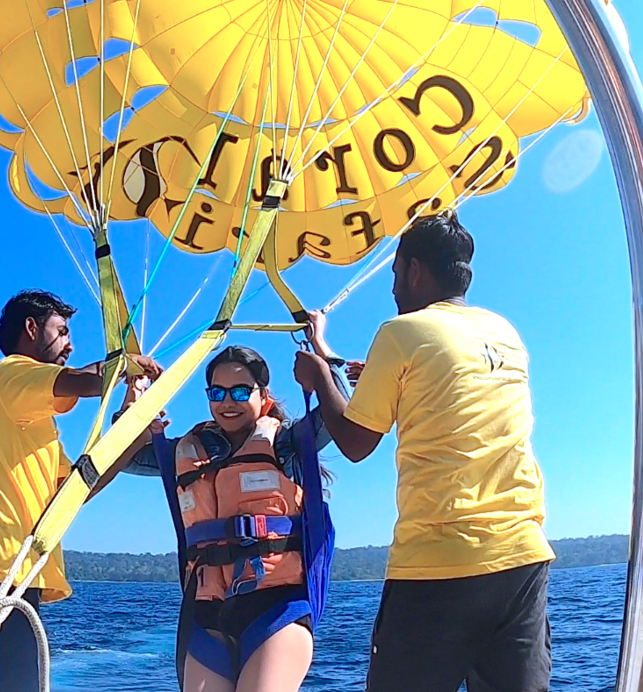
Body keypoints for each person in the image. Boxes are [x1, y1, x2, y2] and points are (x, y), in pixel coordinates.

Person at [293, 211, 555, 692]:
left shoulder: (400, 332)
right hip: (521, 562)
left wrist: (317, 377)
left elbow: (354, 442)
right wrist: (329, 352)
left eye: (394, 274)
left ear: (415, 270)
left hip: (439, 565)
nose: (392, 289)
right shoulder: (505, 333)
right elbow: (445, 383)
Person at [0, 289, 162, 692]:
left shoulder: (35, 423)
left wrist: (131, 432)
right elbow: (82, 381)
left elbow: (79, 486)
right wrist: (127, 365)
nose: (71, 344)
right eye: (62, 331)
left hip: (10, 574)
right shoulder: (7, 375)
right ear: (31, 329)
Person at [119, 336, 349, 692]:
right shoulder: (186, 450)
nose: (228, 402)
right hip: (208, 611)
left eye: (241, 392)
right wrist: (133, 397)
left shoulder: (287, 443)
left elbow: (339, 413)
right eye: (218, 392)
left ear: (263, 395)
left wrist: (322, 352)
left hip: (276, 606)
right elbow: (123, 456)